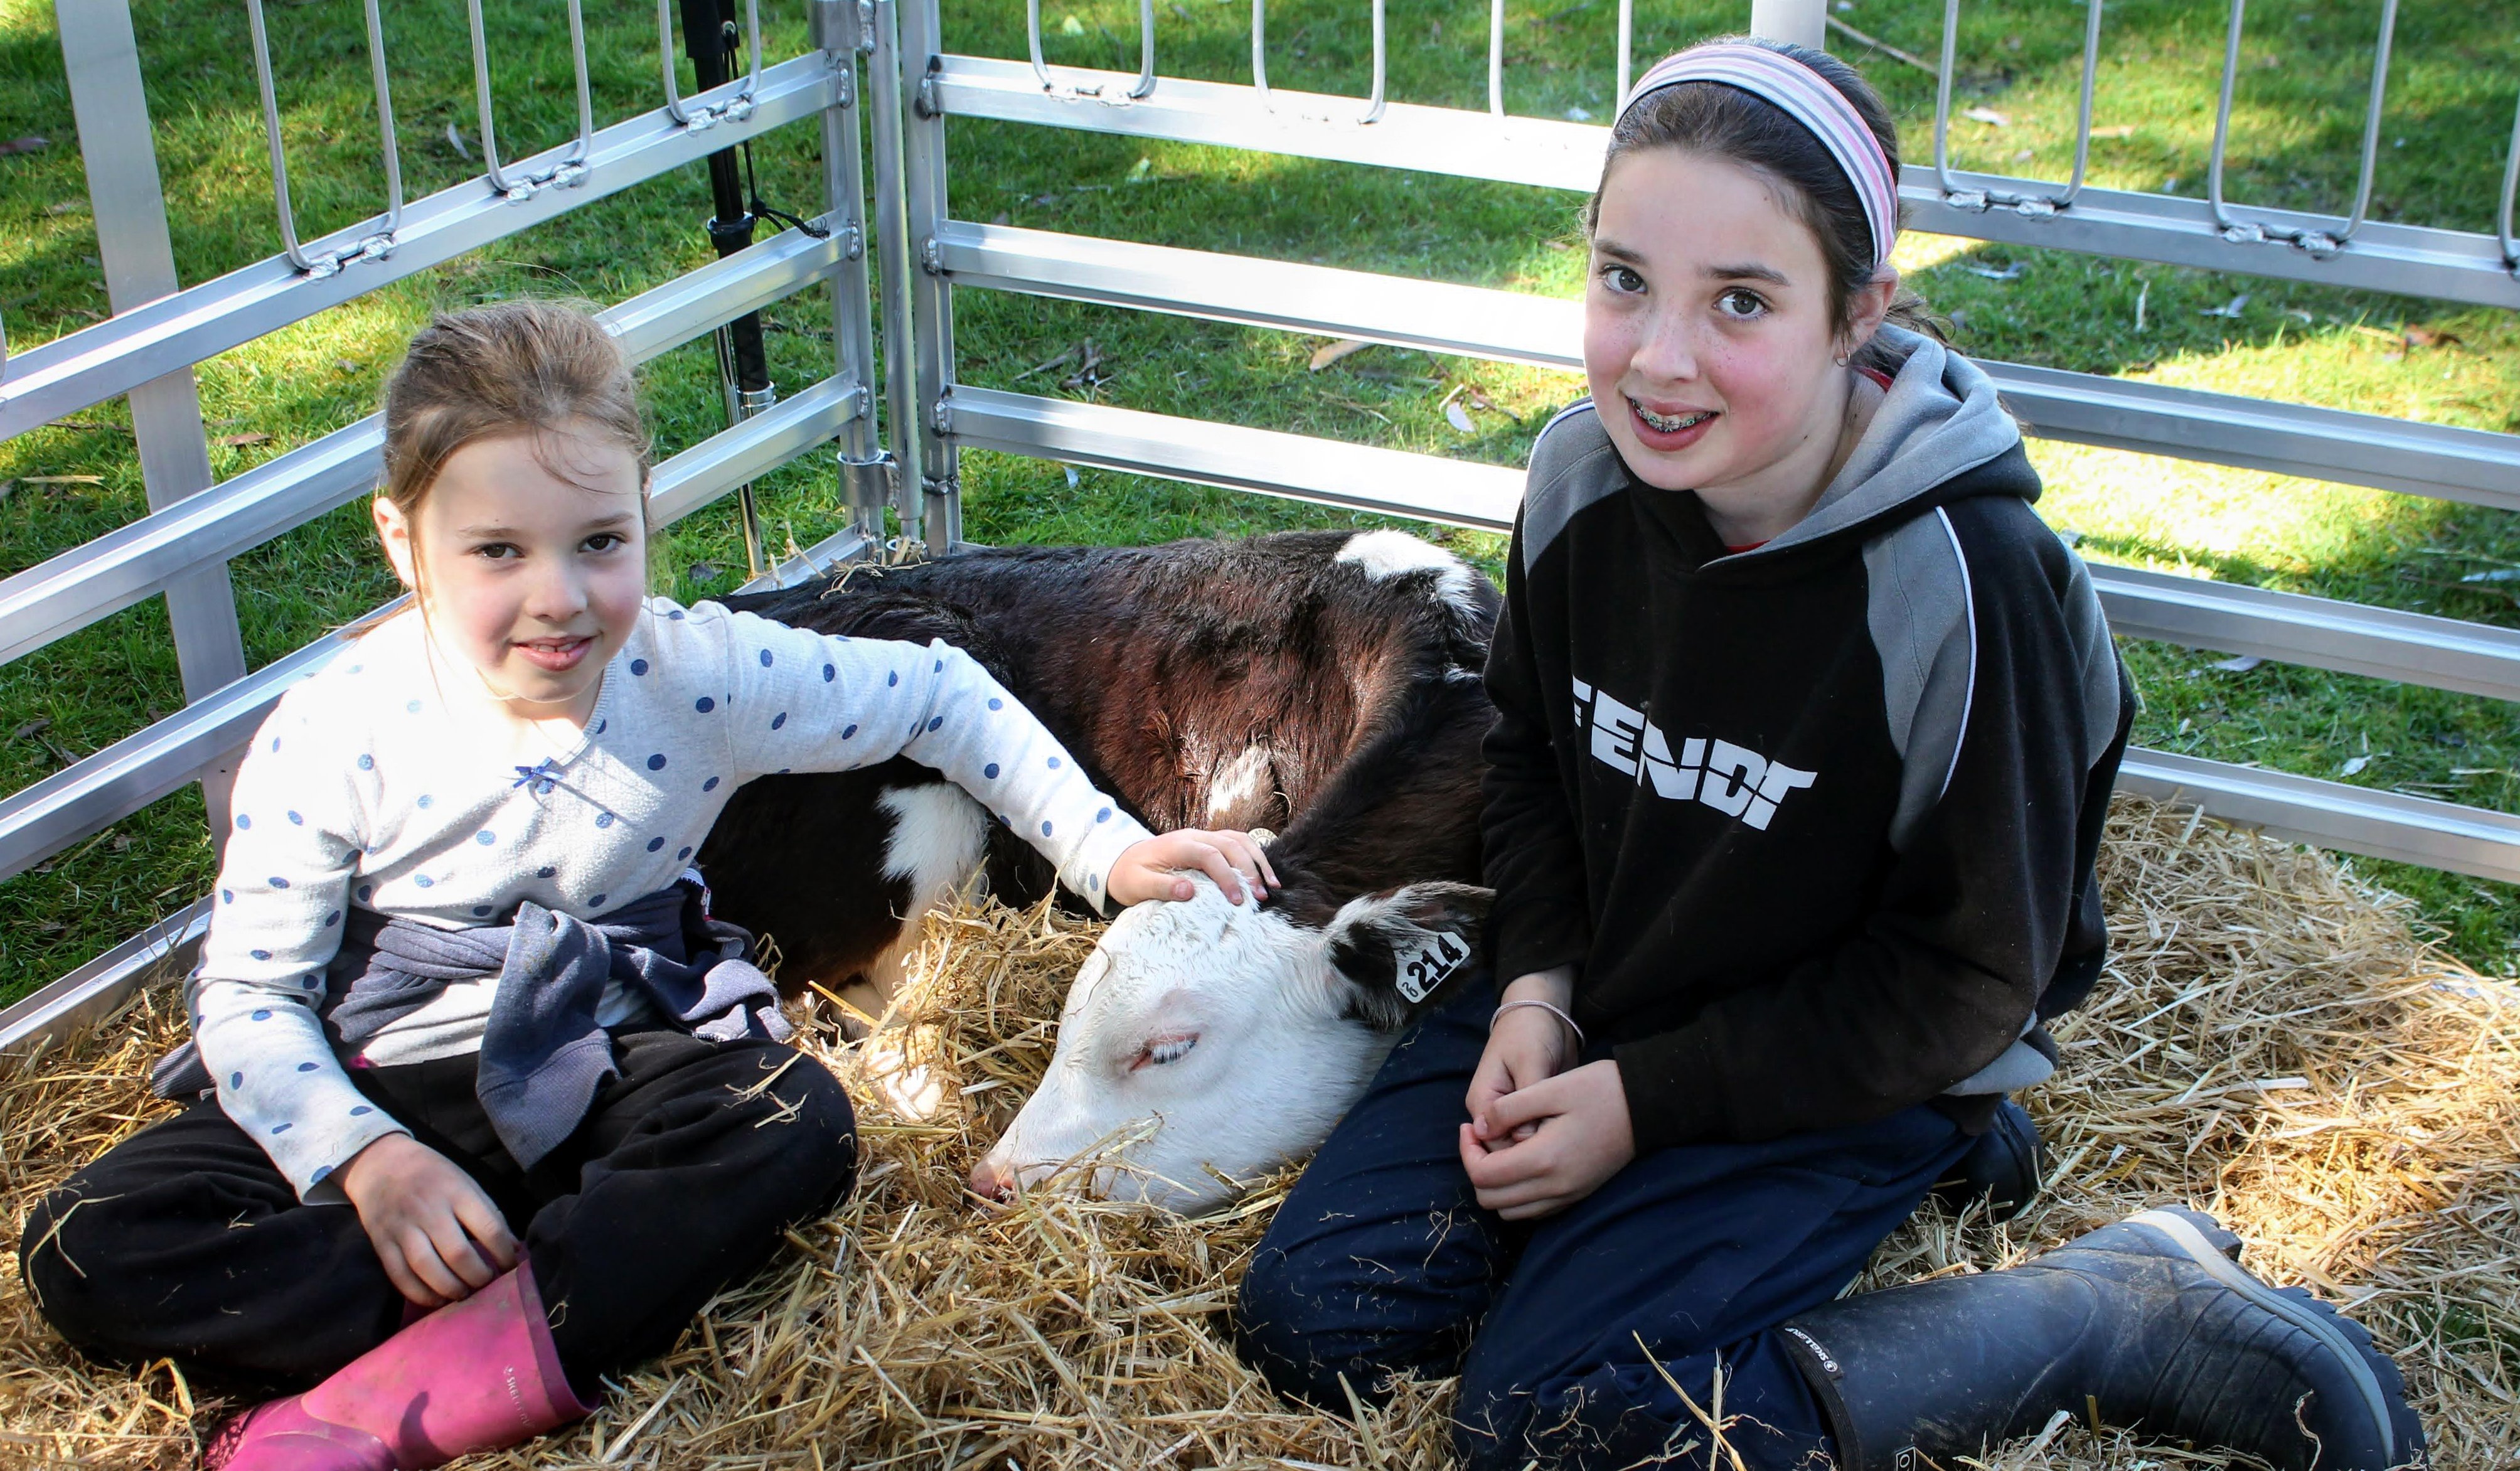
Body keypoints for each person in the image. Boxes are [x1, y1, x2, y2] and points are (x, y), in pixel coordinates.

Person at [1230, 38, 2423, 1471]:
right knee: (1317, 1325)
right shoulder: (1576, 478)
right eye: (1623, 278)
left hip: (1854, 1045)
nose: (1659, 357)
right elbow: (1533, 757)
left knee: (1562, 1432)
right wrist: (1538, 995)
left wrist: (1643, 1107)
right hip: (1609, 992)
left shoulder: (1965, 579)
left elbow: (1972, 975)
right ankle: (1798, 1203)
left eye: (1740, 299)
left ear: (1859, 312)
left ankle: (2105, 1303)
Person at [18, 301, 1276, 1471]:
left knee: (794, 1122)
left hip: (616, 1040)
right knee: (90, 1241)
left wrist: (1103, 848)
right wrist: (368, 1162)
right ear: (403, 539)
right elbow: (246, 995)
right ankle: (548, 1279)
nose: (558, 598)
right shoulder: (334, 728)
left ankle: (415, 1388)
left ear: (644, 516)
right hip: (386, 1061)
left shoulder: (696, 671)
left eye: (600, 542)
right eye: (497, 549)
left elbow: (938, 689)